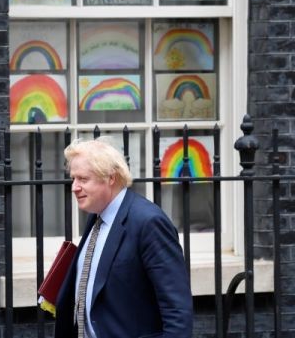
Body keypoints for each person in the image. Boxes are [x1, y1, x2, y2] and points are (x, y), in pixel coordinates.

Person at [53, 137, 193, 338]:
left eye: (83, 179)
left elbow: (178, 312)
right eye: (73, 178)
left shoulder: (148, 222)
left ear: (111, 177)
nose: (74, 187)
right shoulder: (97, 215)